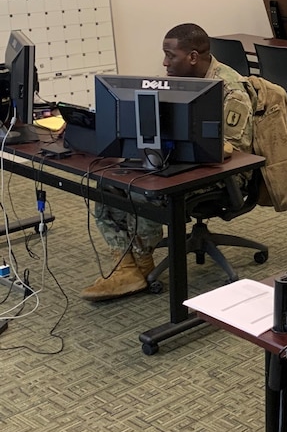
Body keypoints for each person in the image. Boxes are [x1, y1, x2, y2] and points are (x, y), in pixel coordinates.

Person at [80, 23, 255, 301]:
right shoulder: (175, 82)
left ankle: (139, 262)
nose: (164, 62)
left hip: (221, 175)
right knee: (107, 184)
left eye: (170, 55)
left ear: (194, 57)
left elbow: (235, 149)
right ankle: (128, 267)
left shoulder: (230, 90)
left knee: (144, 189)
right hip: (177, 162)